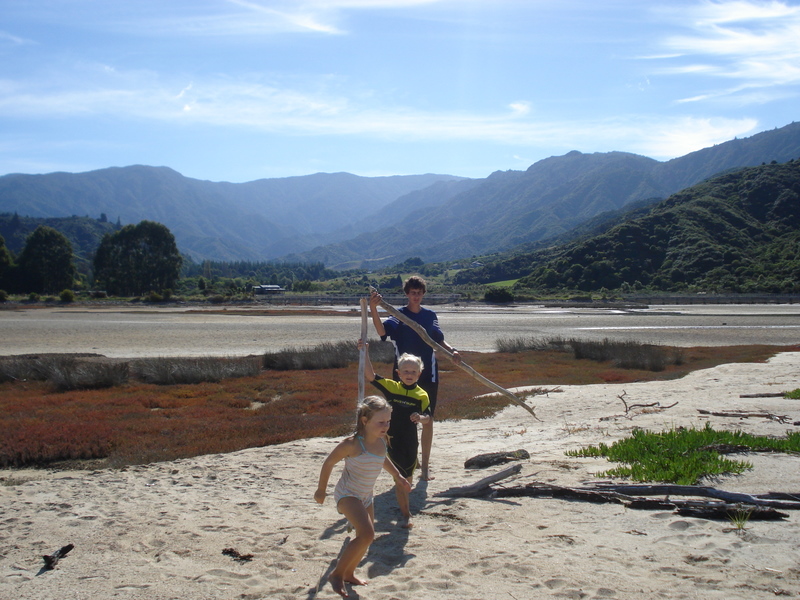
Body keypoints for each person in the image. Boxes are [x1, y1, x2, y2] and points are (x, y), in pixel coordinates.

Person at [315, 395, 411, 598]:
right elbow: (329, 463)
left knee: (366, 537)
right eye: (380, 422)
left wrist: (398, 476)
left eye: (388, 422)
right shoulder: (352, 444)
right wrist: (321, 490)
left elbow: (382, 459)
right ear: (365, 421)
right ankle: (337, 575)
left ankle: (349, 573)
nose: (385, 426)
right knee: (367, 534)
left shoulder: (381, 441)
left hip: (366, 495)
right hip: (348, 494)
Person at [369, 276, 460, 481]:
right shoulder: (398, 314)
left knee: (427, 420)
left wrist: (452, 351)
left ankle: (425, 468)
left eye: (419, 292)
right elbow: (382, 331)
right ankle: (401, 465)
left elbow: (439, 339)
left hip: (428, 374)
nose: (416, 296)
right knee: (400, 421)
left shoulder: (430, 315)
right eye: (412, 293)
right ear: (407, 294)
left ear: (423, 294)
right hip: (402, 376)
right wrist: (374, 309)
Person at [359, 339, 429, 529]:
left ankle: (405, 509)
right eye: (405, 371)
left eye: (413, 372)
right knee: (399, 479)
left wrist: (420, 418)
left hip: (410, 442)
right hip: (390, 441)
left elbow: (428, 417)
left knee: (407, 479)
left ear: (419, 374)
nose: (409, 374)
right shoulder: (392, 387)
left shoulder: (422, 395)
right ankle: (406, 515)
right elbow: (370, 375)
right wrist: (364, 351)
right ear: (398, 373)